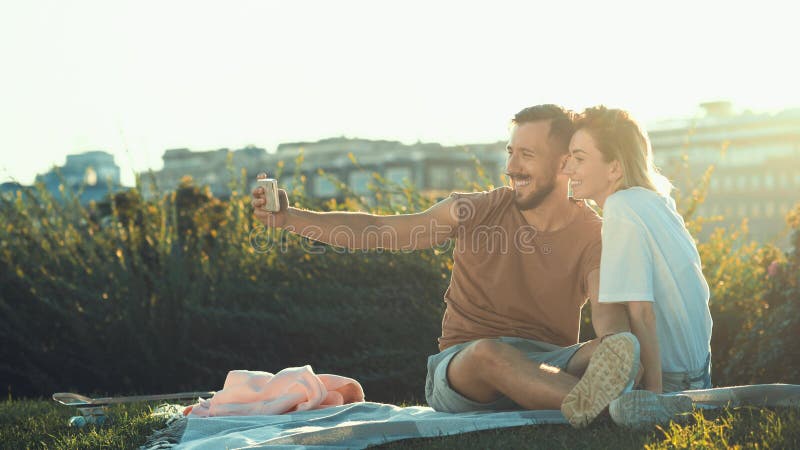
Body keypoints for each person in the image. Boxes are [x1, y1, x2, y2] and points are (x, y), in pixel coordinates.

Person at [252, 105, 639, 428]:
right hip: (463, 369)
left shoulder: (594, 234)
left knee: (618, 345)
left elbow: (611, 329)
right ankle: (606, 411)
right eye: (510, 151)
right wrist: (289, 219)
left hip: (547, 365)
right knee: (490, 353)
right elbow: (380, 228)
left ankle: (592, 400)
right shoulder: (478, 210)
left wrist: (617, 347)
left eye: (527, 155)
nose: (511, 166)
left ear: (564, 163)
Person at [564, 106, 712, 427]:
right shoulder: (656, 201)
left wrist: (654, 397)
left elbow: (642, 312)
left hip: (673, 380)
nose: (568, 169)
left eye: (579, 158)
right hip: (699, 371)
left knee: (597, 397)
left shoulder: (621, 208)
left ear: (614, 167)